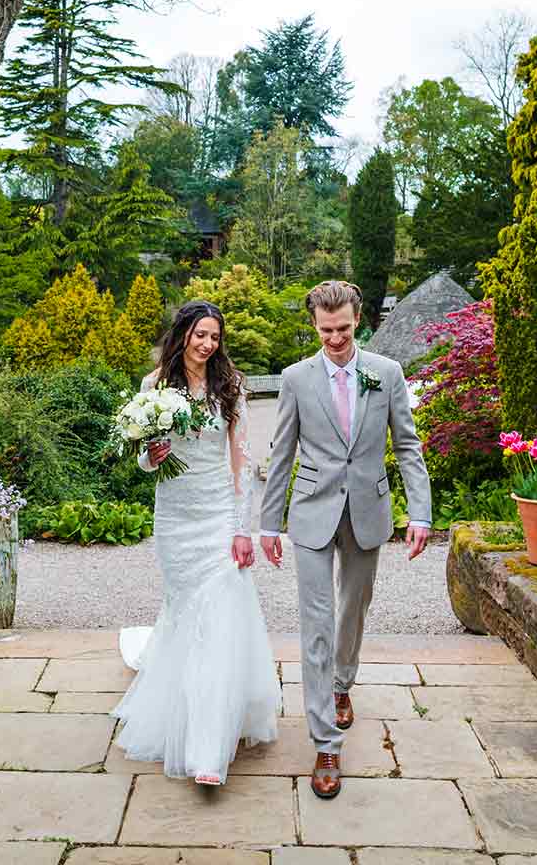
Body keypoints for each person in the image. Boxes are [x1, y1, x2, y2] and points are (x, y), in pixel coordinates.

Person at [258, 280, 432, 800]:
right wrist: (269, 524)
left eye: (344, 328)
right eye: (325, 329)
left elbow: (406, 444)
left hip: (368, 510)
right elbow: (282, 454)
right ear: (314, 326)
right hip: (311, 514)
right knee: (316, 623)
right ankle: (325, 744)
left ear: (358, 321)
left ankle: (341, 685)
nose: (335, 338)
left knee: (353, 607)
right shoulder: (295, 378)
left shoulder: (386, 373)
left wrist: (419, 513)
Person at [112, 301, 280, 785]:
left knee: (220, 615)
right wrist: (152, 454)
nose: (208, 344)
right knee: (187, 614)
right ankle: (182, 711)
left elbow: (241, 459)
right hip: (176, 517)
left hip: (217, 514)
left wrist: (240, 527)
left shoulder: (230, 388)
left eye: (214, 337)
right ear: (183, 333)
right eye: (200, 335)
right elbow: (144, 464)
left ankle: (208, 748)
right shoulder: (153, 387)